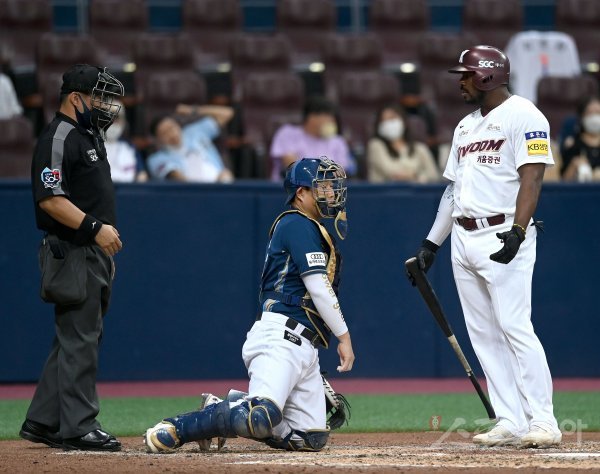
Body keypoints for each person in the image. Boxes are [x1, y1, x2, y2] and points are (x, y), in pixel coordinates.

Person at [144, 157, 355, 453]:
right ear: (301, 193)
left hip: (305, 346)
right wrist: (344, 337)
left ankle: (228, 406)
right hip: (281, 339)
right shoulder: (296, 223)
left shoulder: (309, 227)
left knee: (309, 438)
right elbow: (318, 287)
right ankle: (179, 428)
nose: (330, 193)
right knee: (259, 416)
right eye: (322, 187)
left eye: (331, 187)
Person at [407, 46, 561, 448]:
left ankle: (543, 421)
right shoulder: (465, 126)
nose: (461, 81)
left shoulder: (525, 115)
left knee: (514, 327)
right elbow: (453, 190)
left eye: (466, 74)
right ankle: (510, 419)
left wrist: (518, 230)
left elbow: (533, 178)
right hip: (463, 236)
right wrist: (431, 242)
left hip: (502, 232)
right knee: (483, 334)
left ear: (488, 76)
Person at [23, 64, 124, 452]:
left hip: (90, 252)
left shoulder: (87, 135)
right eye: (99, 97)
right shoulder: (59, 136)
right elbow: (50, 199)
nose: (105, 106)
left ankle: (43, 420)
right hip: (73, 251)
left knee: (76, 337)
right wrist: (95, 228)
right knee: (81, 339)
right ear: (76, 98)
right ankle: (79, 426)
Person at [269, 96, 355, 180]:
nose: (332, 122)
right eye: (328, 117)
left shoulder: (338, 141)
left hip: (327, 188)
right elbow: (291, 164)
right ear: (312, 117)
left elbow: (341, 171)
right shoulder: (287, 133)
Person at [146, 104, 235, 183]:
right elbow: (176, 176)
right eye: (164, 133)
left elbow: (227, 113)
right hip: (191, 190)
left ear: (178, 125)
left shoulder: (194, 131)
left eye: (172, 127)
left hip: (220, 182)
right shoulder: (156, 159)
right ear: (158, 140)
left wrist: (192, 110)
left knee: (226, 175)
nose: (171, 134)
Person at [367, 103, 440, 183]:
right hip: (385, 190)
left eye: (392, 118)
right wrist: (414, 175)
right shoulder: (375, 145)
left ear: (404, 121)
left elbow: (433, 175)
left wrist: (416, 177)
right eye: (383, 120)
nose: (388, 123)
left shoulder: (420, 148)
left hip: (416, 191)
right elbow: (389, 170)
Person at [104, 99, 148, 183]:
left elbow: (142, 175)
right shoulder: (87, 145)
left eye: (116, 117)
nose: (111, 121)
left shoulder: (130, 147)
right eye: (107, 116)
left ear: (123, 121)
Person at [560, 96, 600, 182]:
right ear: (582, 117)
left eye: (598, 112)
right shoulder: (573, 145)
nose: (594, 117)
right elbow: (562, 182)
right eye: (590, 113)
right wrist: (573, 166)